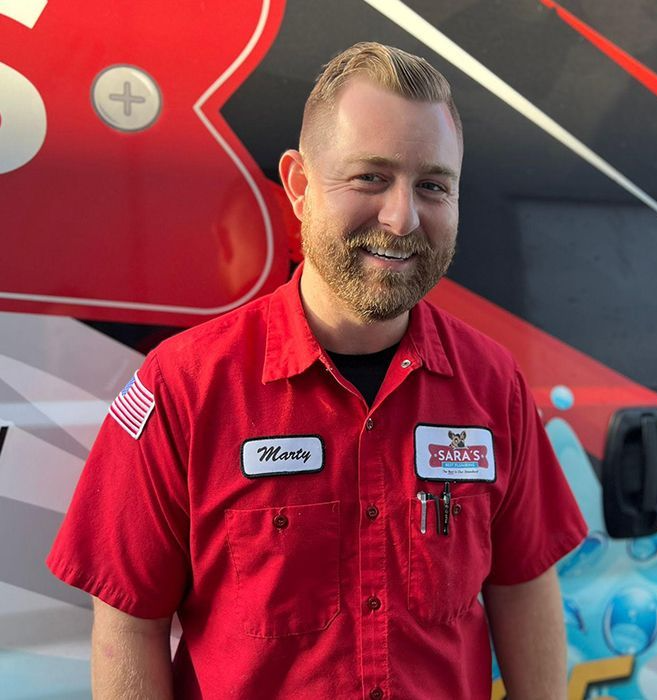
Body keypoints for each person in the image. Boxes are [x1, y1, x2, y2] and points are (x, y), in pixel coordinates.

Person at [48, 42, 587, 699]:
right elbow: (128, 625)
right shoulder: (184, 389)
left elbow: (524, 587)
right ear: (300, 185)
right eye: (370, 177)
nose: (402, 217)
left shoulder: (491, 384)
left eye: (433, 186)